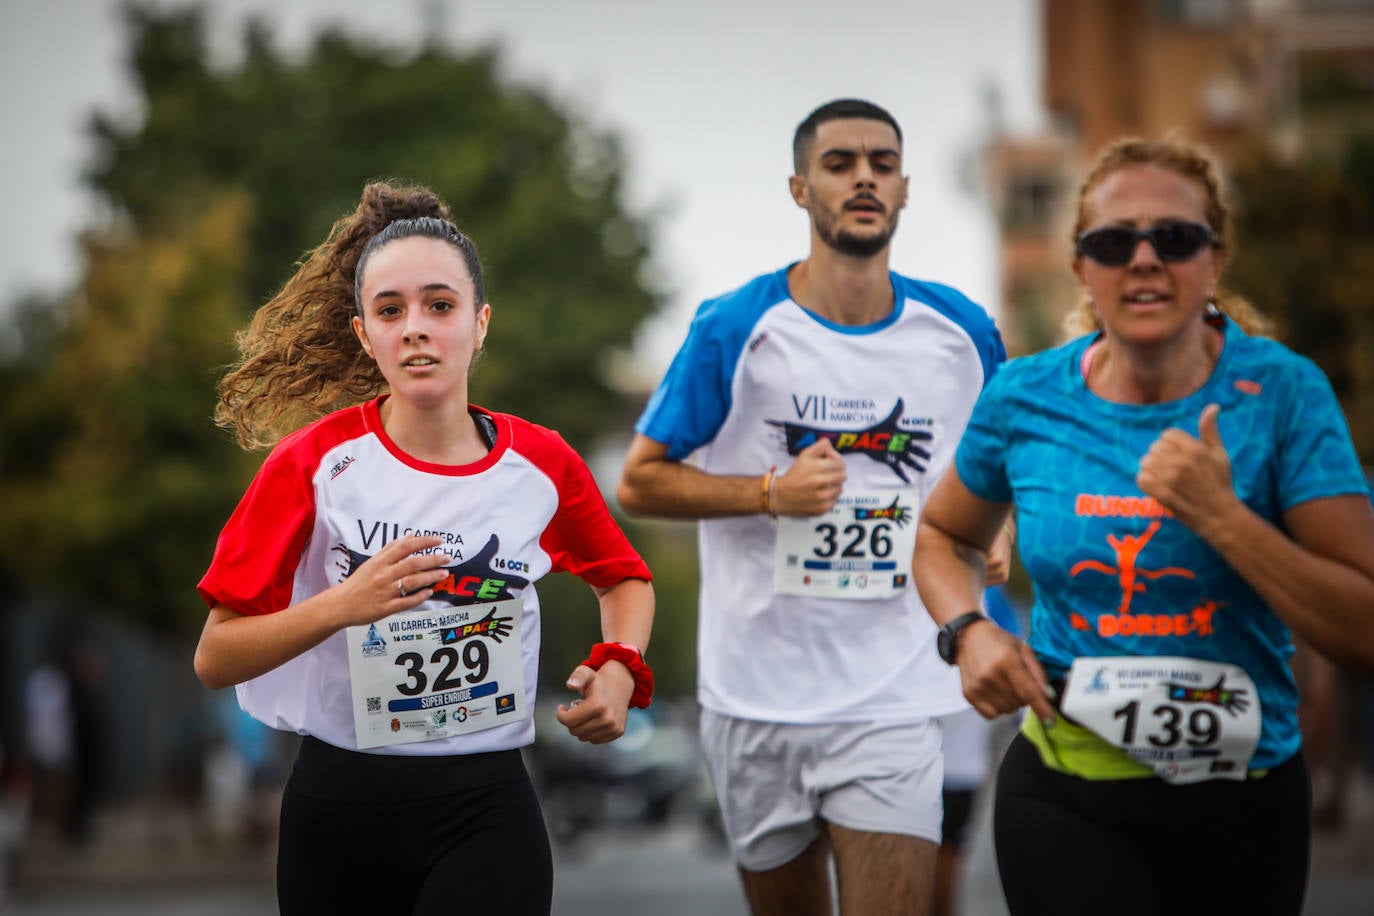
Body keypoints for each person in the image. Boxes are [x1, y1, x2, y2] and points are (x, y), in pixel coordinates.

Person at [911, 136, 1374, 916]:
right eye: (1114, 241)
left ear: (1214, 262)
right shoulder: (1025, 398)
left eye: (1177, 238)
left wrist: (1225, 520)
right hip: (1065, 792)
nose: (1145, 258)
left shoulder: (1283, 395)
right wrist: (969, 629)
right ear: (1082, 269)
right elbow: (939, 535)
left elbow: (1364, 626)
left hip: (1244, 797)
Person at [194, 181, 656, 916]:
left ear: (479, 325)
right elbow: (215, 657)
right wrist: (344, 606)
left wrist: (622, 668)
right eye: (390, 310)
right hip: (338, 809)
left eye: (440, 306)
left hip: (486, 807)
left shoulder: (542, 464)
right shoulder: (311, 464)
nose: (416, 328)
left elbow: (624, 580)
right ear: (364, 335)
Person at [618, 98, 1009, 916]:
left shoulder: (962, 333)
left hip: (895, 693)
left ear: (905, 189)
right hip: (755, 697)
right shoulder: (737, 327)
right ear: (801, 189)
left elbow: (998, 469)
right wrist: (768, 493)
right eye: (839, 163)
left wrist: (1001, 524)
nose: (864, 177)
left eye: (882, 163)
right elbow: (641, 481)